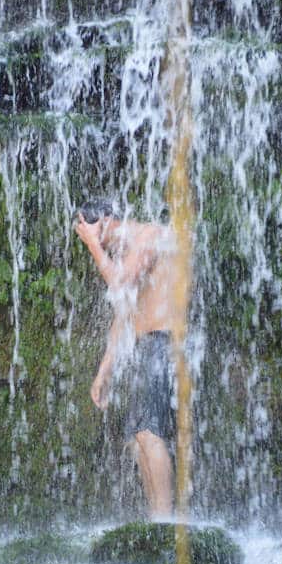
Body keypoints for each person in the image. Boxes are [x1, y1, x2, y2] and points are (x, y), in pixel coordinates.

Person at [74, 198, 184, 518]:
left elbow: (120, 284)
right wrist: (104, 371)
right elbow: (124, 315)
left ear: (106, 220)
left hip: (166, 344)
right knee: (138, 438)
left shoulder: (150, 235)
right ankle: (157, 520)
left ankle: (166, 521)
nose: (90, 241)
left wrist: (94, 245)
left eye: (90, 231)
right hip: (145, 346)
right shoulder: (125, 254)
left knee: (149, 431)